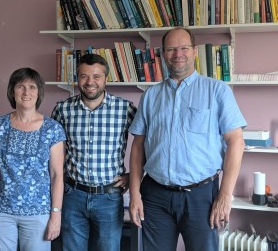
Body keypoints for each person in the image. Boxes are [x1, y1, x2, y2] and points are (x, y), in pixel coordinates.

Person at [128, 27, 247, 251]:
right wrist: (134, 194)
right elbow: (138, 146)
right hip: (155, 195)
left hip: (201, 196)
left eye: (183, 48)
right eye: (171, 49)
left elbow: (236, 142)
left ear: (194, 51)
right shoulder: (151, 95)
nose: (177, 54)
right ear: (163, 54)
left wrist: (224, 197)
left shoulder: (217, 91)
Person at [51, 53, 137, 251]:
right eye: (84, 76)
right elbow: (51, 153)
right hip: (72, 195)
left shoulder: (125, 109)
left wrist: (132, 176)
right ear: (77, 78)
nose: (90, 82)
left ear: (106, 79)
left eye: (96, 76)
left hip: (109, 197)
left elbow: (147, 144)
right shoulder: (62, 110)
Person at [0, 67, 66, 251]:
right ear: (12, 91)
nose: (26, 92)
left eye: (32, 87)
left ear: (39, 92)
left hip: (38, 213)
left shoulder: (53, 129)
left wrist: (56, 215)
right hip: (0, 212)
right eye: (20, 86)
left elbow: (57, 175)